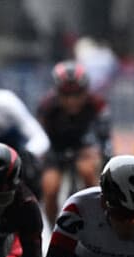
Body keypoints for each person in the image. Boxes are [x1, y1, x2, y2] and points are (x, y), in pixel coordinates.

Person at [37, 60, 112, 227]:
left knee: (87, 170)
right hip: (55, 149)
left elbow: (104, 137)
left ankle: (96, 219)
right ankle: (53, 227)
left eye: (77, 94)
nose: (72, 101)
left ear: (85, 91)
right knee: (50, 188)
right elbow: (39, 138)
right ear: (57, 93)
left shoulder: (97, 104)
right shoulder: (47, 107)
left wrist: (104, 154)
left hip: (83, 147)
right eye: (66, 95)